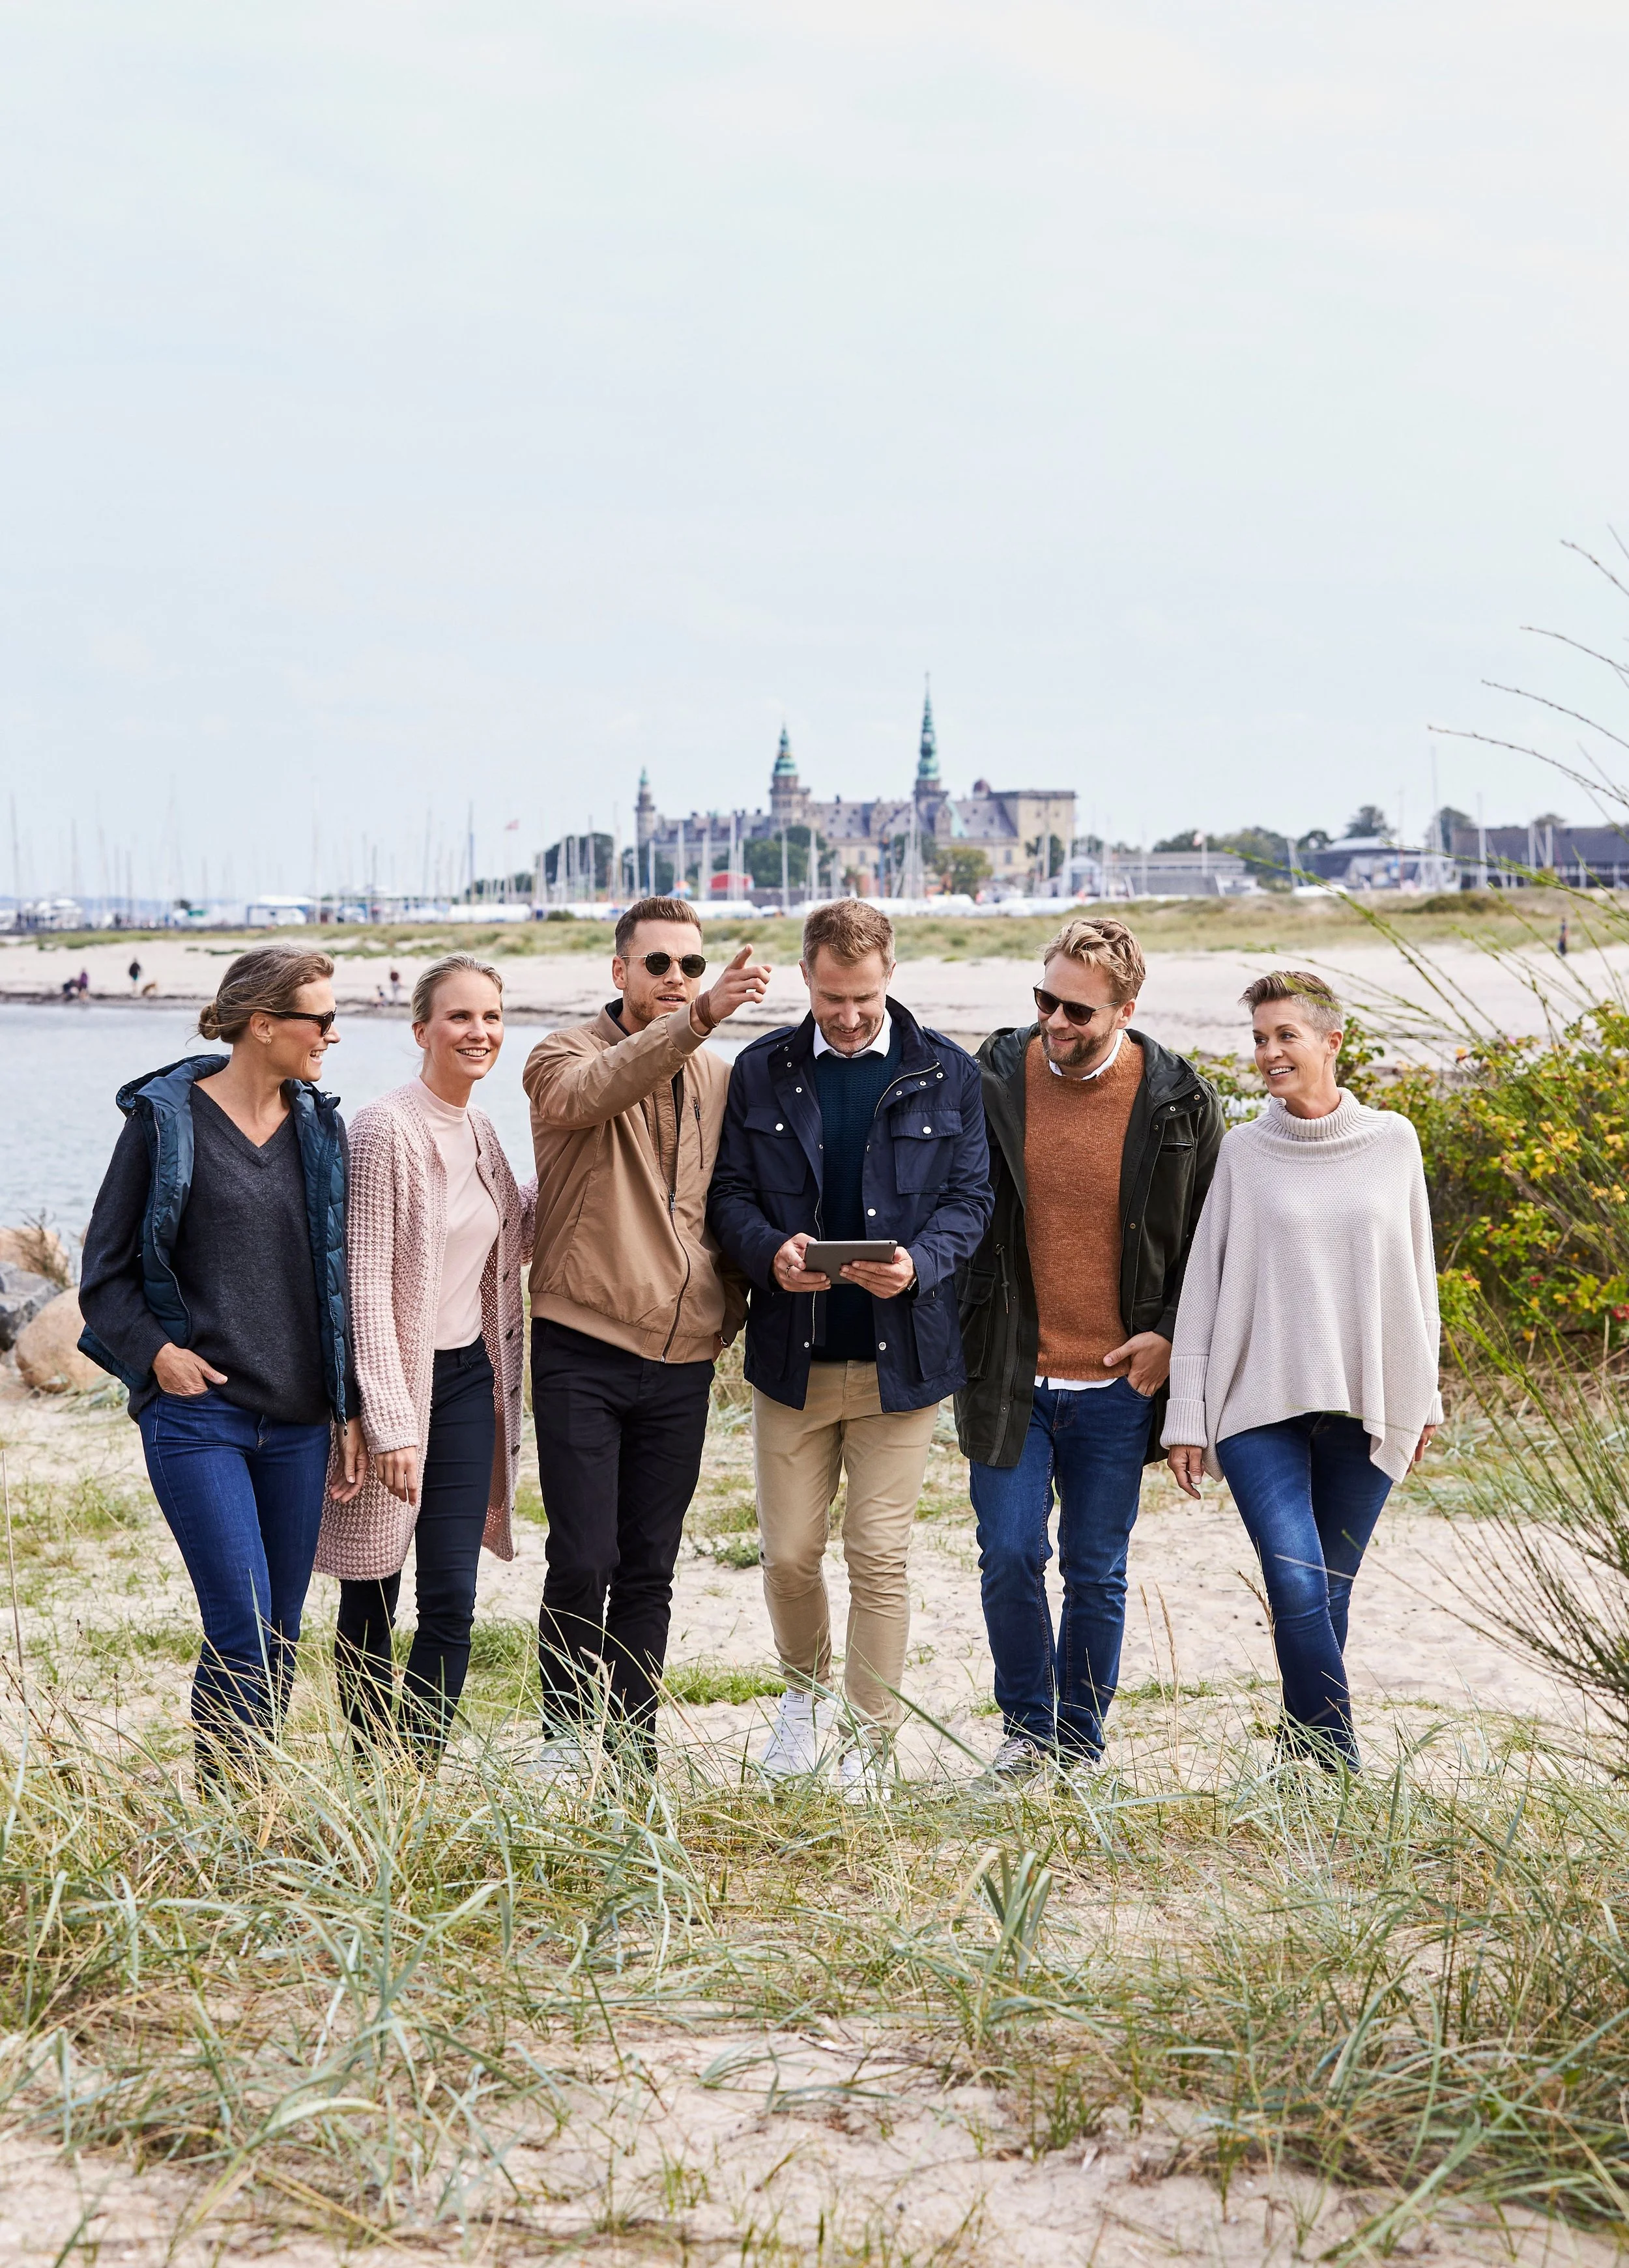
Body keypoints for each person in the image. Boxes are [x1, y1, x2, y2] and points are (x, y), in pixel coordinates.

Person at [710, 900, 992, 1800]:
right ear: (807, 978)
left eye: (864, 996)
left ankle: (872, 1741)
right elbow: (729, 1195)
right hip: (791, 1357)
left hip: (902, 1362)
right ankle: (804, 1702)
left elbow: (971, 1202)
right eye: (832, 996)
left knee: (878, 1554)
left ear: (891, 975)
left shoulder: (948, 1071)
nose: (849, 1014)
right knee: (790, 1554)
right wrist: (769, 1253)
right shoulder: (760, 1071)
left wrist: (919, 1264)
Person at [78, 947, 367, 1781]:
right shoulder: (164, 1122)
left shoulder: (320, 1125)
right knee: (240, 1624)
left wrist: (344, 1408)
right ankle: (232, 1813)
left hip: (301, 1422)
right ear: (264, 1024)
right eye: (322, 1018)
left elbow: (333, 1279)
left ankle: (249, 1800)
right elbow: (105, 1272)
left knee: (280, 1632)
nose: (334, 1035)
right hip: (199, 1417)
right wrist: (157, 1355)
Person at [955, 918, 1222, 1786]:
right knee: (1008, 1551)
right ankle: (1028, 1730)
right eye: (1044, 1000)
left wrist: (1175, 1336)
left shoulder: (1181, 1101)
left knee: (1097, 1570)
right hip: (1009, 1372)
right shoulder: (991, 1077)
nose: (1054, 1023)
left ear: (1126, 1008)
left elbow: (1216, 1244)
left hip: (1117, 1383)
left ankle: (1080, 1742)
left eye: (1077, 1010)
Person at [1163, 972, 1441, 1770]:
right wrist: (1187, 1414)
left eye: (1285, 1034)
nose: (1269, 1052)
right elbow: (1205, 1288)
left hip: (1365, 1402)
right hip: (1259, 1407)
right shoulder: (1245, 1152)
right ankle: (1341, 1761)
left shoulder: (1394, 1140)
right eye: (1258, 1038)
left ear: (1332, 1041)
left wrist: (1425, 1395)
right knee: (1294, 1583)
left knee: (1329, 1593)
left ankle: (1301, 1761)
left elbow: (1416, 1277)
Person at [523, 897, 770, 1772]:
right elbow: (595, 1092)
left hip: (682, 1357)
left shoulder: (718, 1078)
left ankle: (632, 1750)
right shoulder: (559, 1056)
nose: (675, 980)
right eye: (658, 964)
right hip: (580, 1344)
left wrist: (725, 1304)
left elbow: (734, 1201)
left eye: (691, 967)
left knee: (650, 1565)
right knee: (584, 1555)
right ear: (619, 970)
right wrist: (701, 1017)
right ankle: (561, 1736)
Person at [315, 955, 533, 1764]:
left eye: (492, 1018)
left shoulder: (479, 1127)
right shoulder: (384, 1127)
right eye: (460, 1018)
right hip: (395, 1392)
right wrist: (389, 1420)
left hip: (469, 1379)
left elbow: (513, 1230)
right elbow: (364, 1281)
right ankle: (371, 1773)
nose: (479, 1033)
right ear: (421, 1031)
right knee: (373, 1589)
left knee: (451, 1596)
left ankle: (415, 1776)